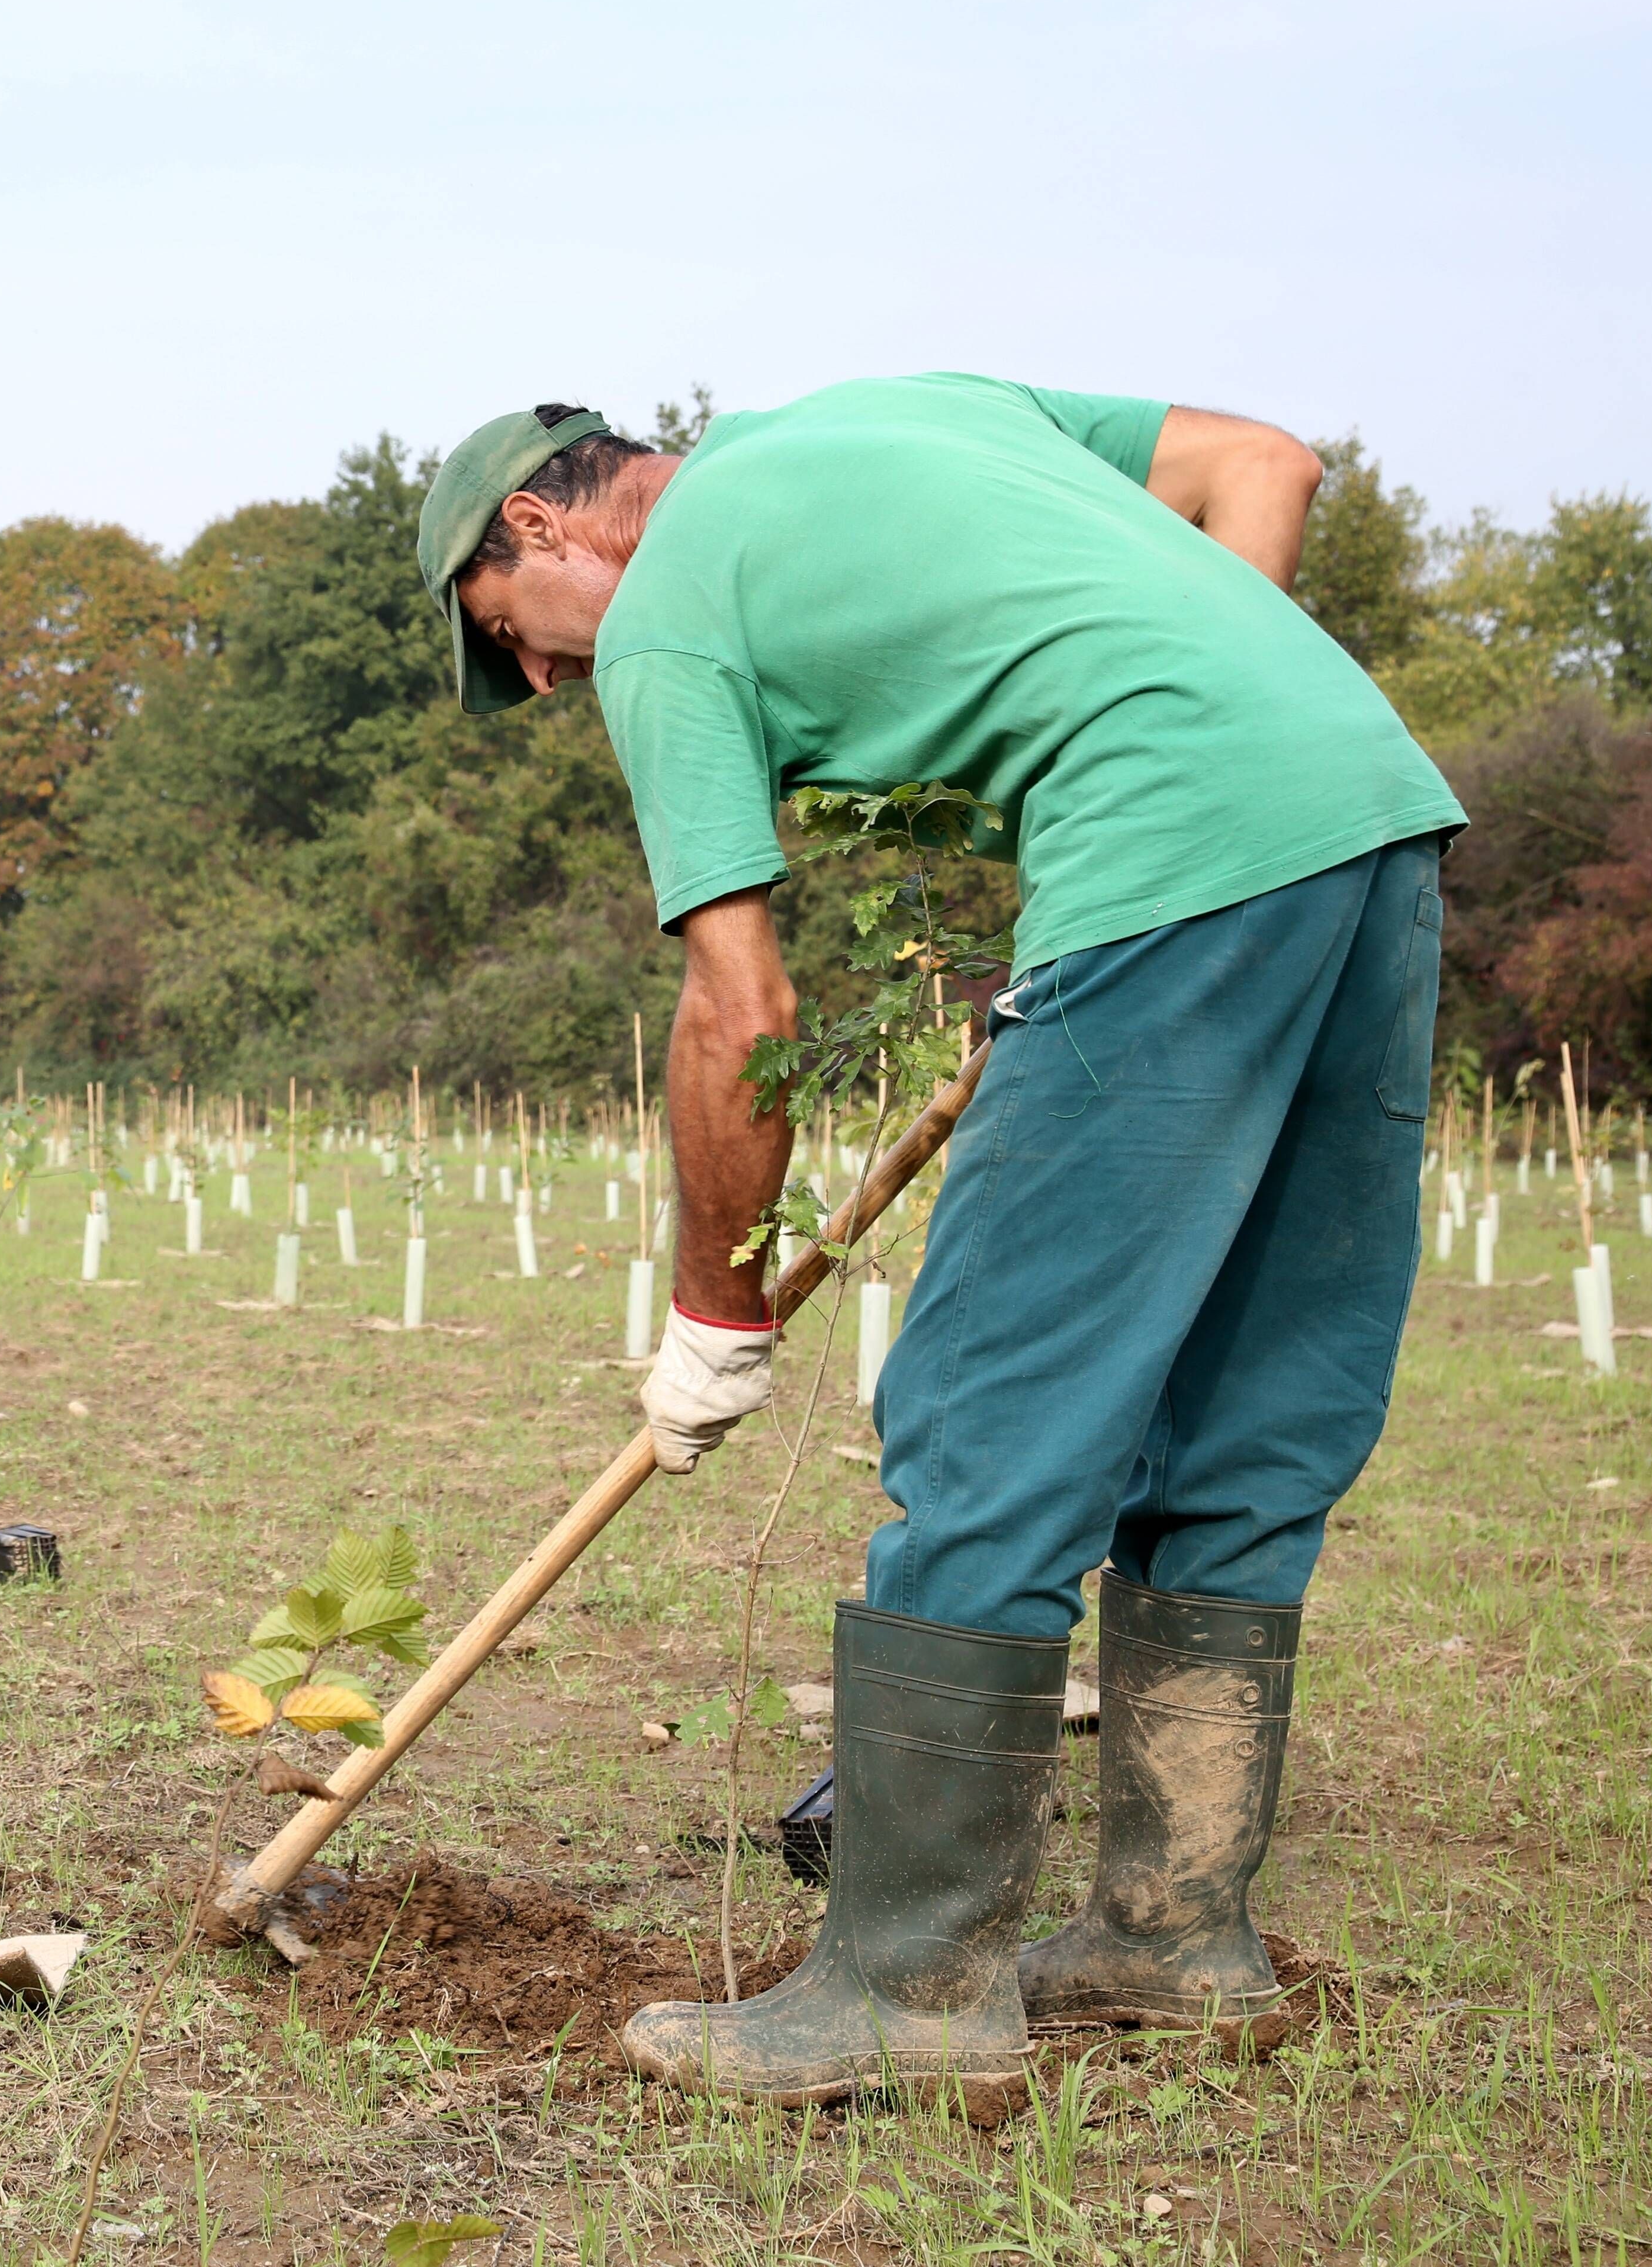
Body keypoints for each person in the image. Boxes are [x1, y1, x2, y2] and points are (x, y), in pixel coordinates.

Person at [416, 378, 1463, 2120]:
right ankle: (1176, 1937)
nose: (540, 681)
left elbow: (736, 1005)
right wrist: (1205, 762)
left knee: (994, 1398)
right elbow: (1264, 464)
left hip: (1191, 841)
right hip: (1367, 803)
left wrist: (716, 1311)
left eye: (508, 641)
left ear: (537, 528)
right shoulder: (903, 411)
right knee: (1248, 1406)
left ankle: (906, 1983)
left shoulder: (668, 611)